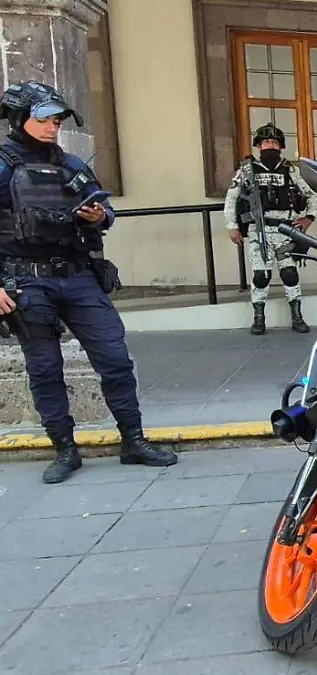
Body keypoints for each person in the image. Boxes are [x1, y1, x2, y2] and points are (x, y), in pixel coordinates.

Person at [0, 81, 178, 483]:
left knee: (115, 360)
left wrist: (99, 216)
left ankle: (133, 441)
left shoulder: (71, 165)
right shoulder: (4, 165)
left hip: (79, 276)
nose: (53, 127)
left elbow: (105, 209)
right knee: (45, 369)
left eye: (57, 120)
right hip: (27, 282)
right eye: (44, 119)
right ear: (19, 118)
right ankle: (64, 450)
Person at [223, 123, 317, 336]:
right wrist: (232, 227)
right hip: (259, 231)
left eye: (274, 143)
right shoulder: (247, 171)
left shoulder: (291, 170)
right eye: (266, 142)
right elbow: (231, 199)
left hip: (286, 230)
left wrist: (308, 218)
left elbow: (314, 195)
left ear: (280, 147)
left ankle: (297, 315)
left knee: (289, 273)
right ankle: (259, 317)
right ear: (259, 146)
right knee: (261, 275)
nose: (270, 146)